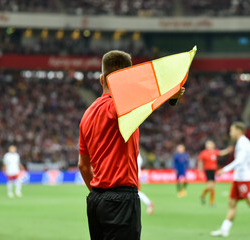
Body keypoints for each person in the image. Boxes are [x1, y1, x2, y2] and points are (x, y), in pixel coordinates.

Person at [78, 50, 185, 239]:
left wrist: (100, 194)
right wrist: (172, 95)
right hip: (121, 199)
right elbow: (151, 90)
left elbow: (82, 165)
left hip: (96, 200)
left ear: (101, 79)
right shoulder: (123, 106)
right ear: (126, 79)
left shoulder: (87, 115)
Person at [211, 122, 250, 238]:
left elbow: (240, 160)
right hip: (239, 178)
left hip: (243, 179)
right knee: (232, 203)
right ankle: (224, 229)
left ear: (238, 131)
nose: (230, 132)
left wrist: (225, 169)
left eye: (231, 130)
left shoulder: (243, 143)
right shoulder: (241, 142)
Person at [198, 140, 232, 206]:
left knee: (212, 187)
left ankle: (208, 200)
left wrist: (228, 150)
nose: (208, 146)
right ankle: (205, 197)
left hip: (213, 171)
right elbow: (200, 162)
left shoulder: (214, 152)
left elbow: (222, 153)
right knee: (210, 186)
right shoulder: (203, 153)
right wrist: (200, 171)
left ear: (213, 145)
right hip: (207, 171)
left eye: (210, 144)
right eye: (207, 144)